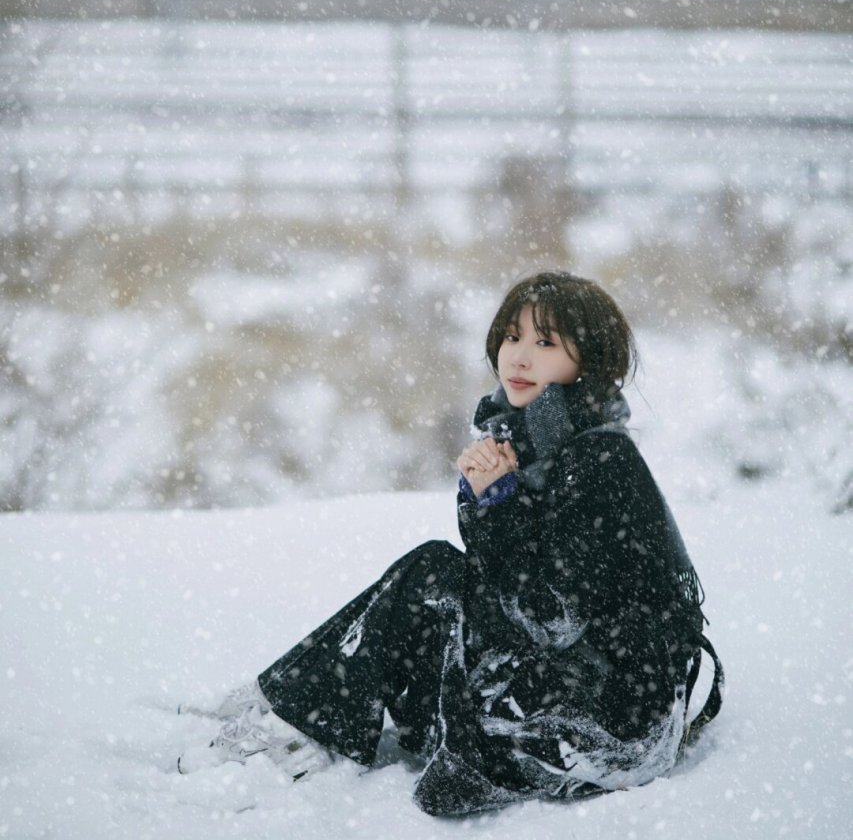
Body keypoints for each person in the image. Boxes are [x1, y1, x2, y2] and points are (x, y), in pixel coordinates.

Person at [177, 271, 723, 815]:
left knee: (432, 573)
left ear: (592, 363)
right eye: (513, 336)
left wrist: (498, 501)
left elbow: (549, 617)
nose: (520, 357)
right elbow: (502, 580)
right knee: (437, 579)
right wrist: (489, 498)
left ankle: (299, 719)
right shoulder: (539, 443)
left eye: (545, 342)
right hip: (583, 682)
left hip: (608, 724)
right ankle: (301, 707)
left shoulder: (599, 459)